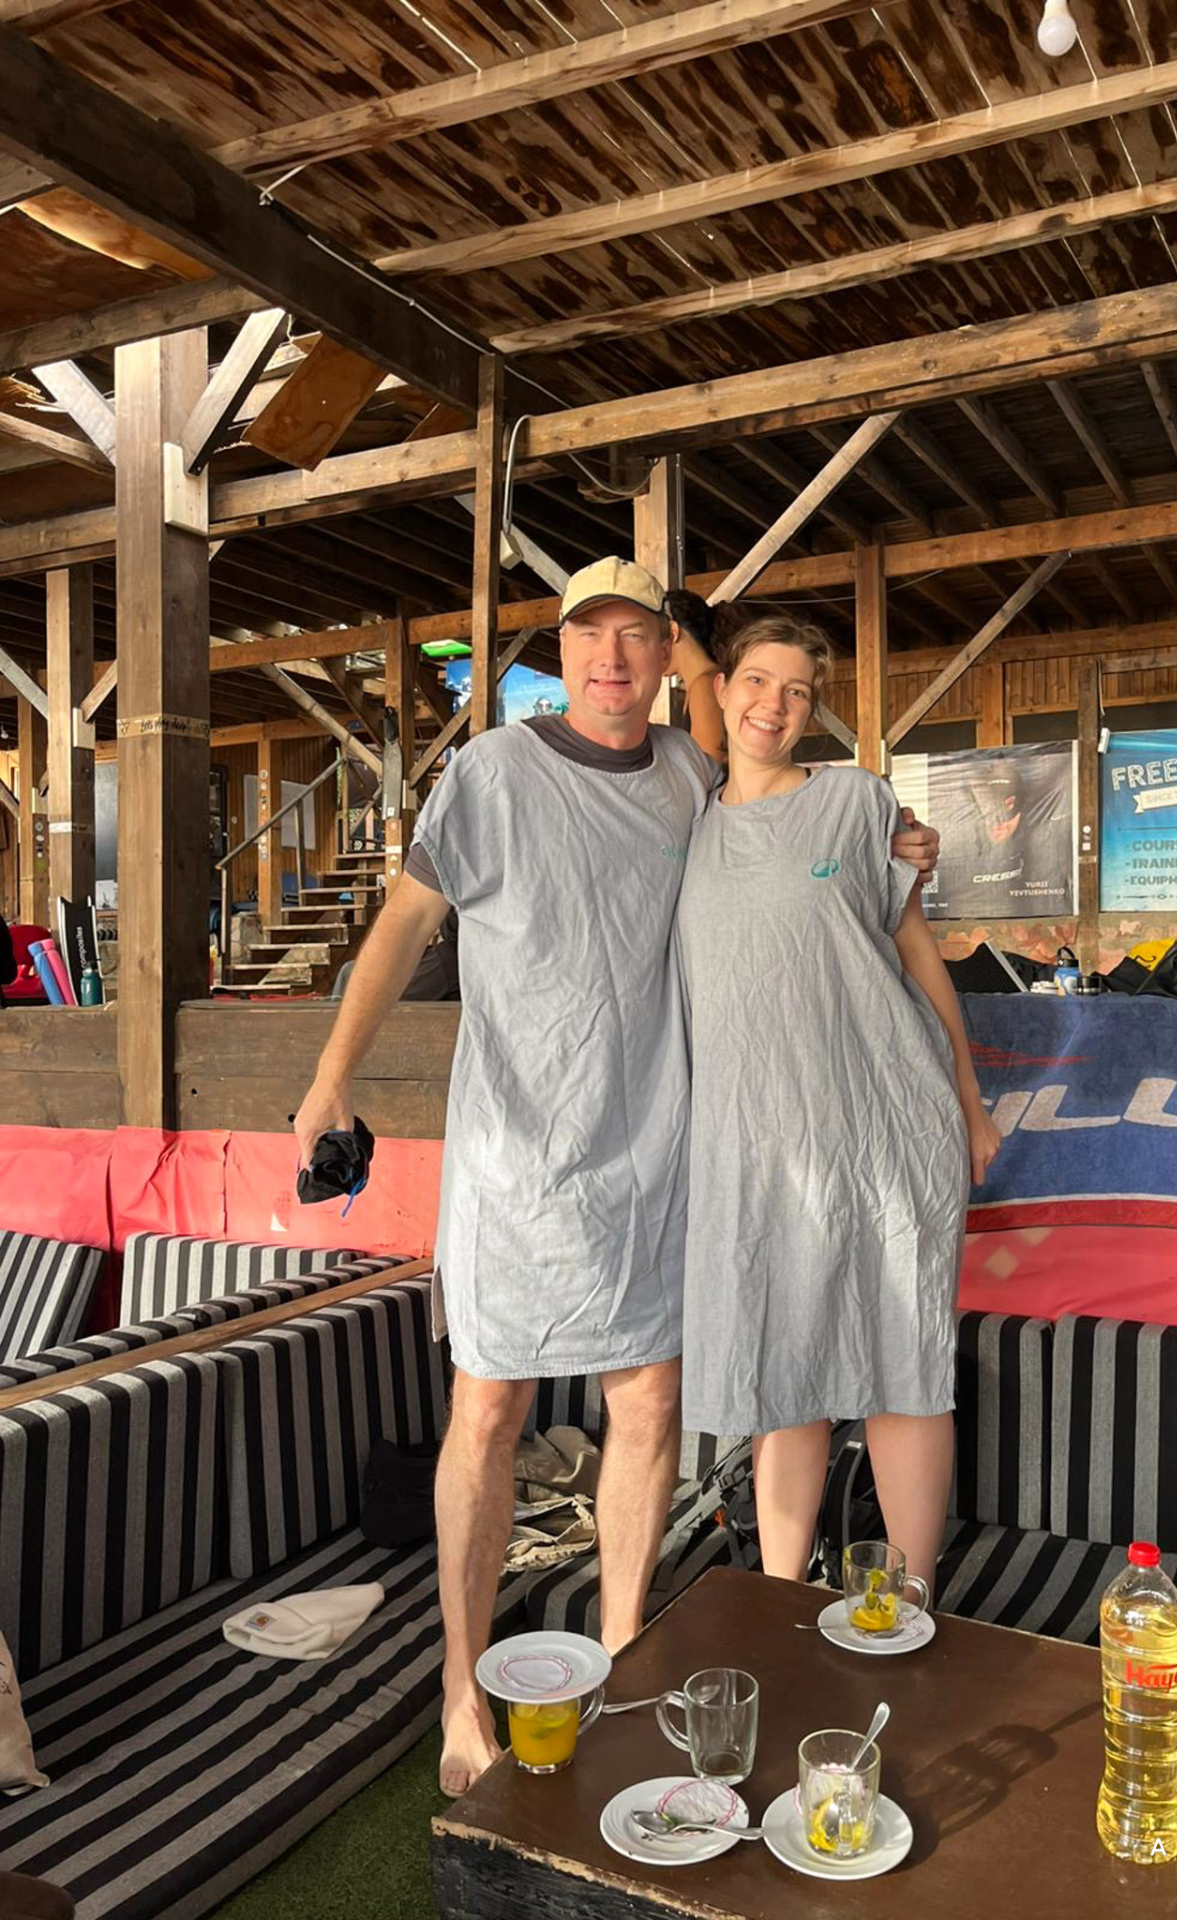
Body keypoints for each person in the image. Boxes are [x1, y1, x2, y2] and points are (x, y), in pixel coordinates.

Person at [291, 559, 938, 1795]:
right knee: (489, 1409)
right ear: (564, 649)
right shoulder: (491, 773)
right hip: (517, 1160)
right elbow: (405, 924)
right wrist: (331, 1078)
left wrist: (897, 843)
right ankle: (462, 1691)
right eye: (592, 634)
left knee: (647, 1403)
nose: (613, 657)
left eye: (638, 636)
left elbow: (789, 809)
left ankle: (622, 1651)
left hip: (652, 1151)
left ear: (663, 658)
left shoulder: (692, 776)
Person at [677, 614, 1002, 1603]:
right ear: (723, 689)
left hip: (881, 1125)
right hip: (758, 1146)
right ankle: (782, 1603)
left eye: (798, 691)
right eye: (757, 680)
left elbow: (914, 947)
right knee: (787, 1377)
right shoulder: (683, 819)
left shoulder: (857, 801)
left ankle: (914, 1597)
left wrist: (968, 1099)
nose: (773, 705)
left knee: (903, 1361)